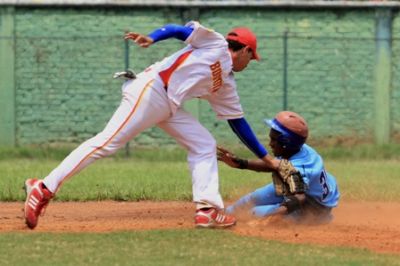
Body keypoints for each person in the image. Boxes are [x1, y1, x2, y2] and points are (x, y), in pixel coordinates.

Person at [23, 21, 281, 229]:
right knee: (106, 143)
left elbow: (238, 123)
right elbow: (178, 29)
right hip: (151, 89)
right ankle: (43, 188)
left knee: (204, 144)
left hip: (169, 105)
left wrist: (266, 158)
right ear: (246, 50)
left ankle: (207, 211)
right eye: (252, 57)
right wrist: (153, 37)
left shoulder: (226, 84)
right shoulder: (216, 44)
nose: (250, 62)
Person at [217, 111, 340, 223]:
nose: (270, 143)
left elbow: (299, 198)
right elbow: (274, 164)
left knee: (253, 213)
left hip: (311, 206)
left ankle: (320, 220)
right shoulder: (298, 149)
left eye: (273, 140)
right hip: (302, 189)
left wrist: (272, 217)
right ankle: (221, 215)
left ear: (286, 143)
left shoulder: (297, 169)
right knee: (252, 199)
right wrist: (240, 163)